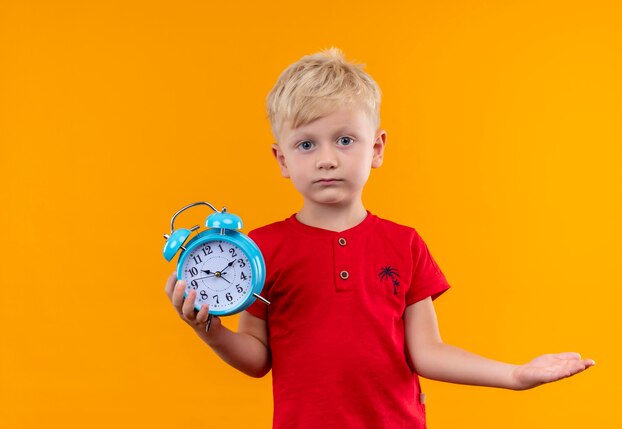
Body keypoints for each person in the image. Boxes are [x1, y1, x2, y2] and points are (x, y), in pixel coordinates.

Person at [164, 48, 594, 428]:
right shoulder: (258, 250)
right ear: (281, 158)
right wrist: (209, 330)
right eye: (306, 145)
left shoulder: (404, 243)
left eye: (345, 140)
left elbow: (427, 352)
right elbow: (258, 358)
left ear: (377, 148)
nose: (327, 159)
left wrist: (515, 375)